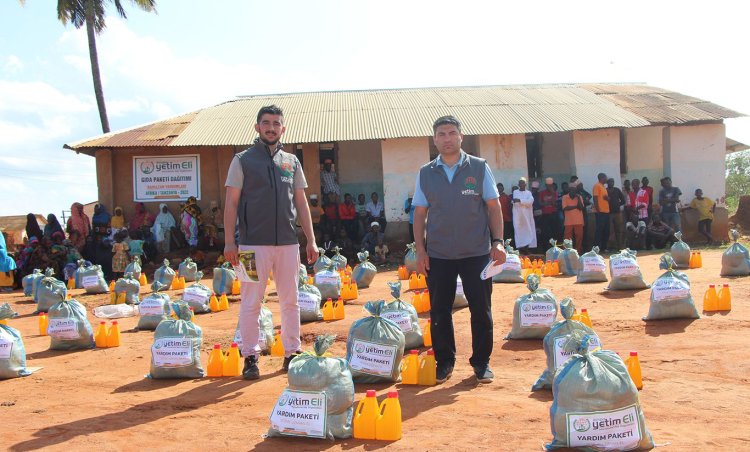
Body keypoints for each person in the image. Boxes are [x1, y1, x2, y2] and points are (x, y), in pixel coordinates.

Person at [223, 105, 317, 380]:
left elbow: (300, 202)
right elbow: (231, 202)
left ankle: (292, 352)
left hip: (288, 244)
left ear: (283, 129)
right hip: (252, 246)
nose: (271, 127)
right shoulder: (242, 160)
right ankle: (250, 356)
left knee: (291, 300)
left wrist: (310, 239)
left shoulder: (291, 162)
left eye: (276, 123)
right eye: (266, 123)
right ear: (257, 127)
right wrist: (230, 242)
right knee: (251, 301)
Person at [412, 115, 505, 385]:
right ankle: (444, 362)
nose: (447, 139)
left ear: (461, 137)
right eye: (441, 134)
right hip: (439, 254)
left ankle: (481, 362)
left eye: (452, 133)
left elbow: (493, 206)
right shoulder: (426, 172)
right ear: (434, 139)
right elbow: (419, 213)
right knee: (439, 311)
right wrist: (420, 250)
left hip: (476, 253)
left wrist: (497, 241)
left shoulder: (478, 167)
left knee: (481, 309)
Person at [512, 178, 536, 252]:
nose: (521, 184)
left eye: (523, 183)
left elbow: (530, 201)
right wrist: (523, 202)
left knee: (528, 230)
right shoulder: (515, 192)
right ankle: (520, 249)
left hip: (527, 216)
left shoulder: (528, 193)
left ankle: (527, 248)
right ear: (518, 185)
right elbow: (515, 202)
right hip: (518, 216)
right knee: (519, 231)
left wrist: (520, 201)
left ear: (525, 184)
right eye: (520, 183)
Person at [562, 182, 585, 253]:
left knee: (579, 237)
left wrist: (578, 198)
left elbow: (581, 207)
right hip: (568, 221)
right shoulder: (565, 197)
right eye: (571, 189)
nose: (573, 191)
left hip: (579, 221)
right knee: (567, 238)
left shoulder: (579, 197)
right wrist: (575, 207)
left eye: (574, 190)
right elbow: (565, 208)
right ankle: (567, 252)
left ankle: (578, 251)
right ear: (569, 189)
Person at [538, 177, 559, 248]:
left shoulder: (555, 193)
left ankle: (554, 247)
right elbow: (540, 204)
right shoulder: (542, 193)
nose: (549, 187)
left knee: (554, 231)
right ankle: (545, 247)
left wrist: (552, 193)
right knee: (545, 232)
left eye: (550, 185)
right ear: (545, 185)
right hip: (545, 215)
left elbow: (554, 203)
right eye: (547, 185)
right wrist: (548, 203)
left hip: (553, 214)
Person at [592, 173, 610, 253]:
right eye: (605, 177)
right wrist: (598, 210)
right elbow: (595, 198)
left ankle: (604, 248)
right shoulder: (597, 186)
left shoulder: (603, 187)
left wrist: (607, 198)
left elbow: (604, 198)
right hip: (600, 212)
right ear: (602, 178)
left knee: (606, 230)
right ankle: (596, 248)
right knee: (599, 231)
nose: (607, 179)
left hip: (606, 212)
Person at [607, 178, 626, 251]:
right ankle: (610, 247)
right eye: (610, 182)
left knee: (618, 230)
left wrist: (617, 205)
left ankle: (619, 247)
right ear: (607, 183)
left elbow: (623, 201)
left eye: (613, 182)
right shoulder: (605, 191)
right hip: (608, 214)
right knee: (610, 231)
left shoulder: (617, 190)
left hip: (617, 213)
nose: (612, 183)